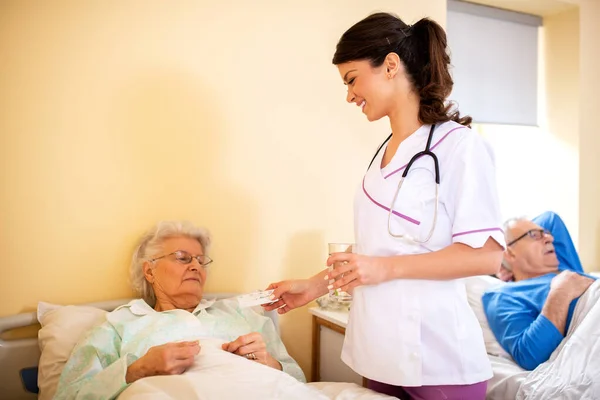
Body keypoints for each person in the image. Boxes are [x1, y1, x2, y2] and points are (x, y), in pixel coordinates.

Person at [264, 12, 505, 400]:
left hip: (438, 358)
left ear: (390, 65)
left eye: (352, 79)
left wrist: (382, 268)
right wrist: (313, 286)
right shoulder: (382, 156)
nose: (349, 95)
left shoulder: (459, 146)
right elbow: (380, 253)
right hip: (379, 353)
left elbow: (488, 257)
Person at [54, 221, 304, 400]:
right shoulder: (119, 325)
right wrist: (139, 369)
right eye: (183, 258)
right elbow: (70, 394)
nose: (196, 266)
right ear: (149, 271)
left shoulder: (240, 315)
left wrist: (269, 363)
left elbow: (299, 382)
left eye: (200, 260)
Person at [482, 213, 597, 371]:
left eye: (546, 233)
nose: (549, 238)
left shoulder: (562, 266)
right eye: (534, 235)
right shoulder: (503, 295)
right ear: (509, 253)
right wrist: (560, 293)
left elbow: (550, 218)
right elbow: (530, 356)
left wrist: (503, 263)